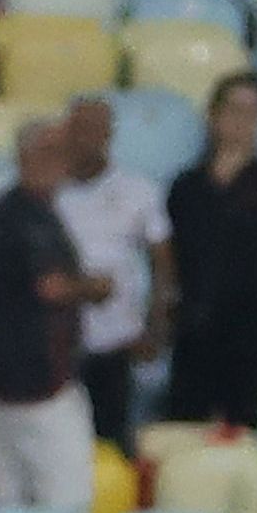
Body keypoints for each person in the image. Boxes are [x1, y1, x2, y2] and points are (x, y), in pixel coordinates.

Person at [159, 75, 257, 433]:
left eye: (252, 113)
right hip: (196, 325)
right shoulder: (186, 186)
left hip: (252, 329)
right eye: (234, 110)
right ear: (214, 115)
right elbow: (169, 261)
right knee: (186, 426)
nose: (242, 121)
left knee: (243, 430)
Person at [0, 119, 99, 512]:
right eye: (53, 152)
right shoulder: (30, 218)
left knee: (11, 501)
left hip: (0, 380)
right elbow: (51, 287)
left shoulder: (2, 213)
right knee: (66, 502)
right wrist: (96, 287)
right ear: (28, 157)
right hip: (41, 385)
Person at [53, 95, 168, 455]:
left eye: (94, 130)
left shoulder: (138, 190)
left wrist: (156, 325)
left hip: (114, 342)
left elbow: (163, 262)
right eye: (77, 129)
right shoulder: (47, 190)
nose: (84, 139)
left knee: (111, 446)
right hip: (55, 342)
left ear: (108, 135)